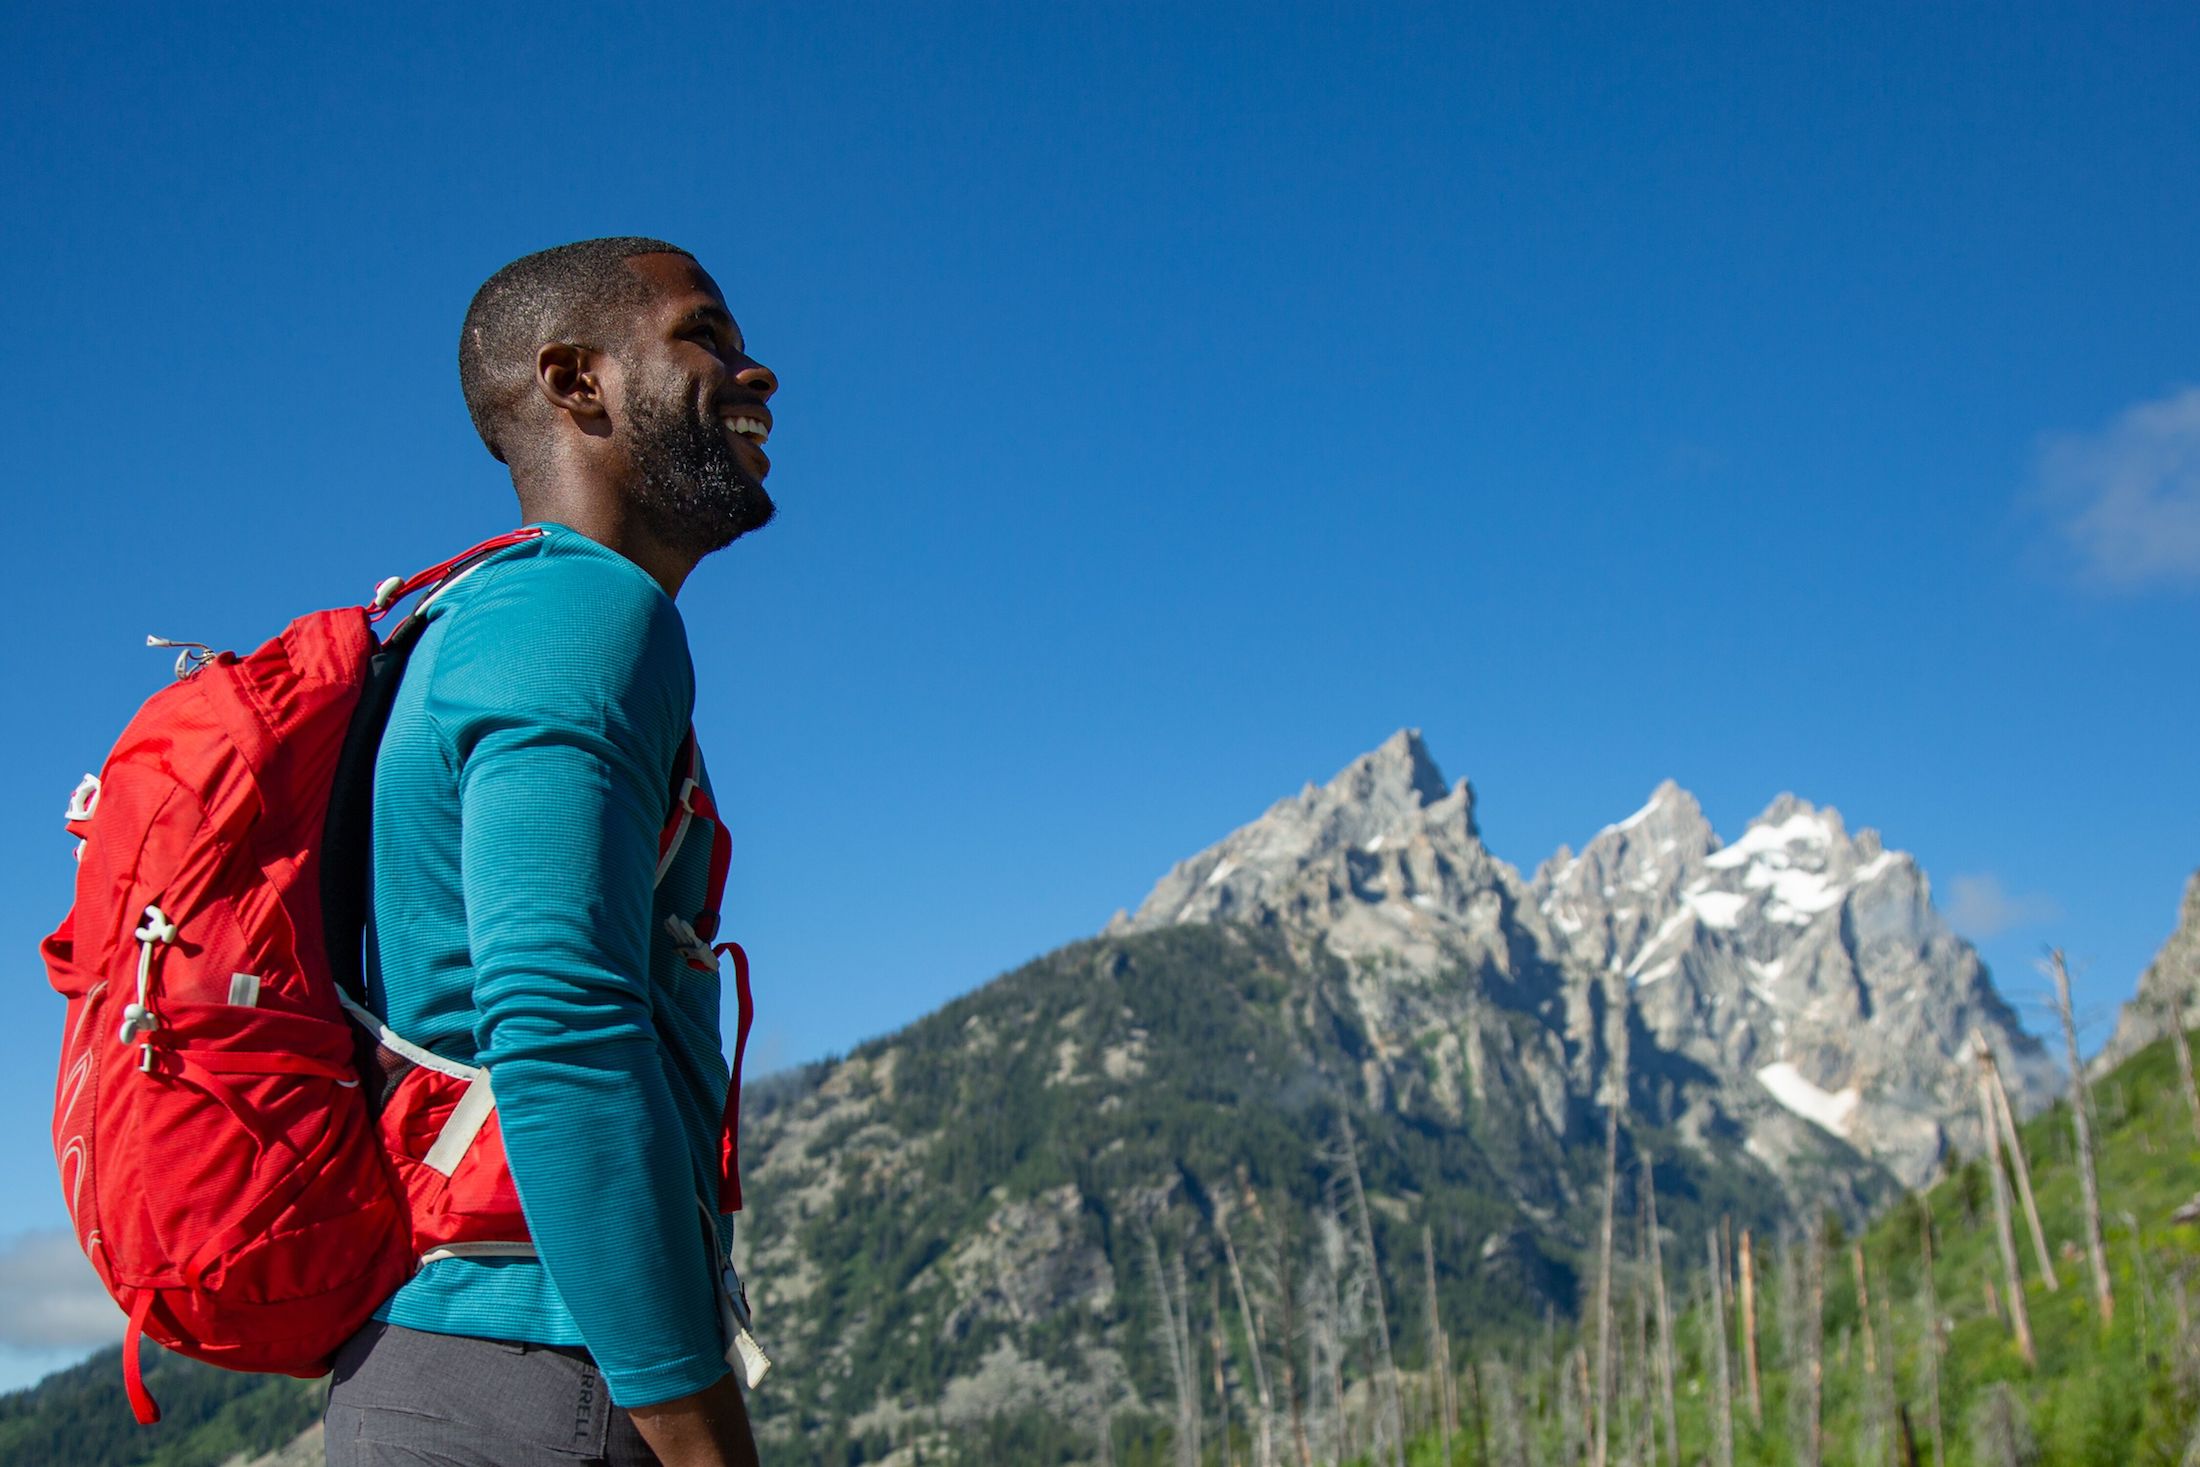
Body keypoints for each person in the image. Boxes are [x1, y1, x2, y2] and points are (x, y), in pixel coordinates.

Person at [323, 237, 777, 1467]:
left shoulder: (465, 616)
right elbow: (561, 1022)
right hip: (544, 1385)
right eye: (707, 337)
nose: (760, 374)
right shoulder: (583, 608)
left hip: (458, 1372)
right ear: (577, 383)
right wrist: (701, 1441)